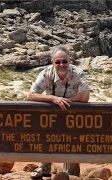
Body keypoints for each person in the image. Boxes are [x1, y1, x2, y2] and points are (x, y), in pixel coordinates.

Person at [27, 45, 90, 179]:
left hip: (72, 116)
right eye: (58, 62)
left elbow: (85, 96)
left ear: (70, 61)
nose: (61, 64)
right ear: (53, 63)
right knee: (46, 137)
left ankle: (71, 175)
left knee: (73, 142)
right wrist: (53, 99)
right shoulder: (46, 73)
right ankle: (45, 169)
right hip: (51, 115)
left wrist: (66, 101)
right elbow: (31, 95)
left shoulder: (78, 73)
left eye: (64, 61)